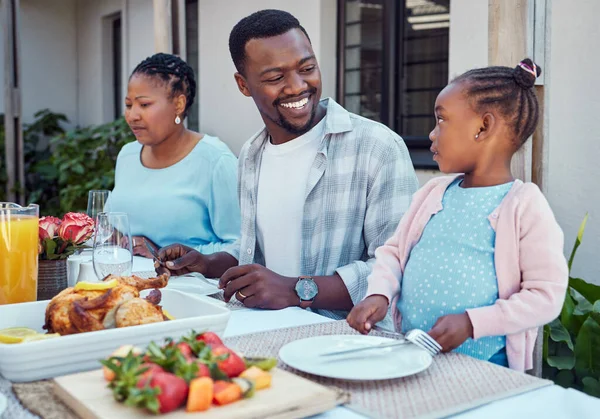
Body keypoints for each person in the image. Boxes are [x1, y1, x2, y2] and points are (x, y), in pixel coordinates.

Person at [157, 10, 418, 319]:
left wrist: (297, 290)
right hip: (269, 331)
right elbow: (260, 250)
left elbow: (399, 266)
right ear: (243, 85)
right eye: (275, 78)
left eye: (306, 67)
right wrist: (207, 263)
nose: (297, 86)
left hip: (347, 343)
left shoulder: (378, 147)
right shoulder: (252, 155)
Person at [347, 59, 568, 371]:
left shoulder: (523, 204)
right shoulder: (433, 193)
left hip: (484, 368)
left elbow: (545, 295)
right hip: (413, 358)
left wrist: (471, 322)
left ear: (484, 126)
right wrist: (378, 295)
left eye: (442, 120)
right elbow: (394, 254)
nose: (432, 133)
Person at [110, 53, 240, 257]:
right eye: (128, 105)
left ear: (178, 105)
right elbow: (116, 226)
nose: (132, 115)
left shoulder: (216, 160)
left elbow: (241, 247)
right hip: (125, 284)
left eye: (144, 105)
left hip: (192, 287)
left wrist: (163, 253)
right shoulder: (127, 155)